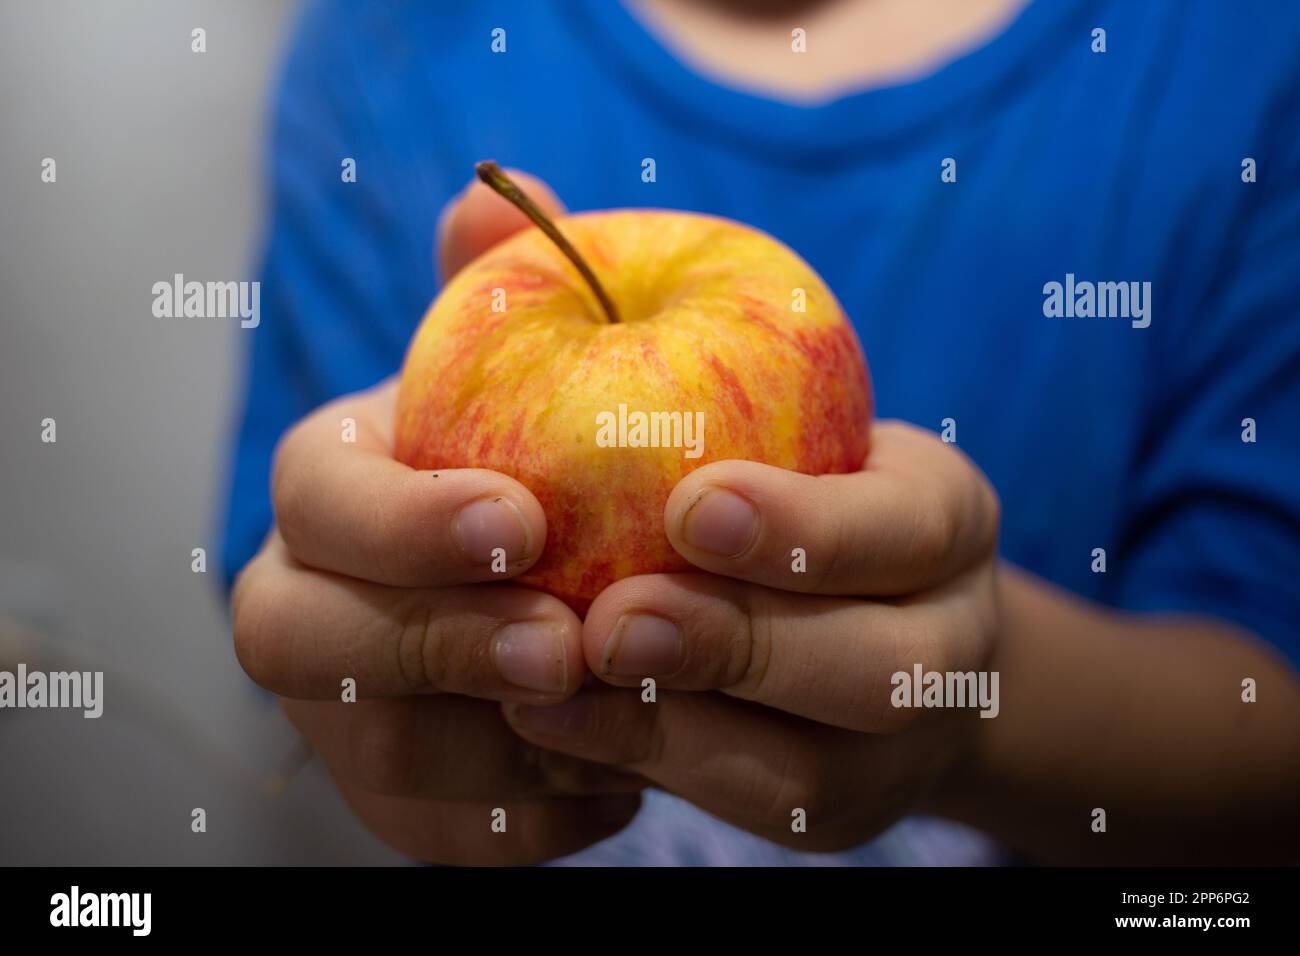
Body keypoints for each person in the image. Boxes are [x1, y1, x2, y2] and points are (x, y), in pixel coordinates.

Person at [222, 0, 1300, 865]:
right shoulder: (391, 40)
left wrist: (973, 701)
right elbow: (306, 598)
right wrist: (359, 653)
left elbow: (1268, 715)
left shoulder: (1241, 57)